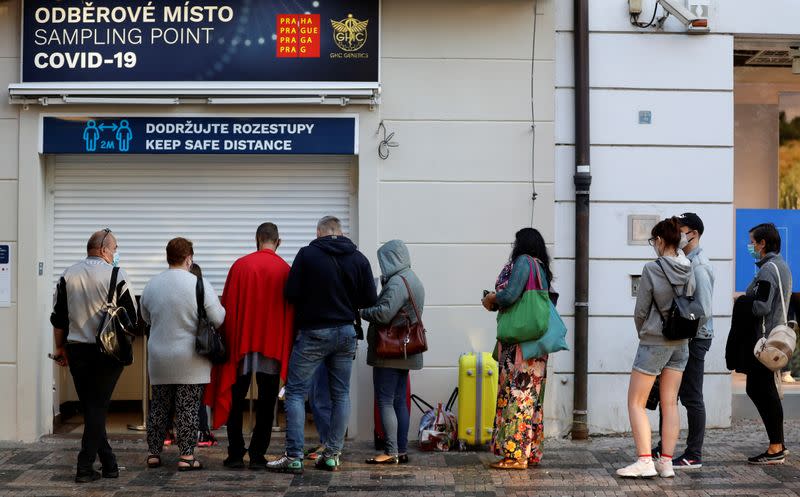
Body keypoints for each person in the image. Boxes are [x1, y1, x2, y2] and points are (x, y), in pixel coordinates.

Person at [266, 216, 377, 474]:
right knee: (340, 395)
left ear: (319, 233)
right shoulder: (358, 258)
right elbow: (369, 298)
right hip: (347, 332)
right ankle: (331, 454)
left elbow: (290, 293)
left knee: (294, 391)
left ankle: (293, 456)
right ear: (340, 231)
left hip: (314, 332)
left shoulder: (307, 255)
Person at [205, 222, 294, 470]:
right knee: (267, 401)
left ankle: (235, 453)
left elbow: (228, 309)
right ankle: (257, 455)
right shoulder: (285, 269)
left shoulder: (240, 266)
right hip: (272, 344)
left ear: (257, 239)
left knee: (235, 397)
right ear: (278, 242)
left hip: (241, 344)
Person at [50, 229, 137, 483]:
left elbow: (58, 318)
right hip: (107, 351)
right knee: (98, 408)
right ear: (103, 250)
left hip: (77, 350)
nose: (116, 253)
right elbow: (131, 317)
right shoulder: (117, 274)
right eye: (115, 248)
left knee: (92, 408)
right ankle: (84, 467)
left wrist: (59, 349)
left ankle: (109, 463)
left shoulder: (68, 274)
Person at [617, 217, 694, 479]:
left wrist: (644, 333)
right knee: (670, 402)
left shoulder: (652, 268)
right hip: (682, 341)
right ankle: (667, 463)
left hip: (655, 341)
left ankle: (644, 460)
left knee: (636, 402)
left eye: (654, 241)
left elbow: (641, 310)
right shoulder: (689, 267)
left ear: (660, 241)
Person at [141, 237, 225, 471]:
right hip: (191, 358)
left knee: (158, 405)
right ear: (189, 258)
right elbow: (218, 319)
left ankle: (153, 453)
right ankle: (187, 457)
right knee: (188, 407)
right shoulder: (199, 284)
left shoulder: (152, 284)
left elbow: (145, 318)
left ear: (168, 257)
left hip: (159, 357)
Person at [481, 228, 554, 470]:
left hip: (520, 345)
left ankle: (515, 456)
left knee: (517, 396)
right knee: (531, 399)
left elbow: (511, 294)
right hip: (536, 345)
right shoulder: (541, 267)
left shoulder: (523, 262)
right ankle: (530, 452)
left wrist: (492, 298)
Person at [653, 213, 714, 469]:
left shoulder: (698, 266)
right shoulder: (684, 261)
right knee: (669, 395)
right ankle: (663, 447)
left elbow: (703, 310)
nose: (678, 235)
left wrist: (683, 332)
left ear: (694, 233)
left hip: (695, 338)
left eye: (683, 230)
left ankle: (693, 454)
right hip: (684, 337)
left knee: (691, 396)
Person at [361, 240, 425, 465]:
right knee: (399, 401)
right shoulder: (412, 277)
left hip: (390, 352)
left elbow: (384, 314)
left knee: (386, 401)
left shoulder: (398, 282)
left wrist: (361, 311)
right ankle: (401, 449)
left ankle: (391, 451)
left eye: (383, 260)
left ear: (391, 259)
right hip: (405, 351)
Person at [744, 223, 792, 465]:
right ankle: (779, 443)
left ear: (763, 244)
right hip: (775, 337)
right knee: (764, 390)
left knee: (761, 390)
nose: (750, 246)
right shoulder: (780, 265)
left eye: (752, 242)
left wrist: (745, 302)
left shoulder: (767, 271)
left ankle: (776, 447)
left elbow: (761, 306)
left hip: (765, 342)